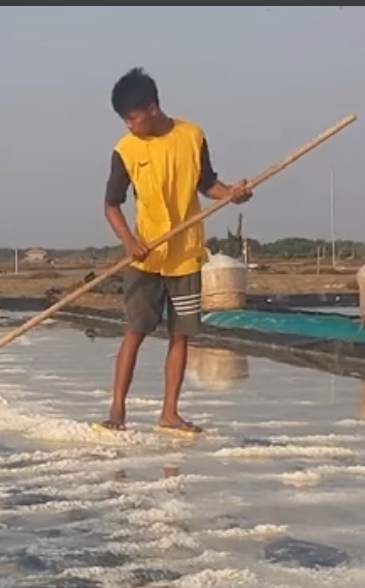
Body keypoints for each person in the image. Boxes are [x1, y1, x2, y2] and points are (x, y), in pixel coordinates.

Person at [99, 67, 253, 435]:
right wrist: (130, 243)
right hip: (146, 257)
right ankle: (117, 409)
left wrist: (231, 194)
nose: (129, 126)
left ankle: (169, 413)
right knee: (135, 331)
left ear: (152, 108)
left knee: (180, 335)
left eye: (132, 118)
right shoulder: (126, 151)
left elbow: (208, 184)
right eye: (125, 120)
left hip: (185, 257)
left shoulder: (192, 136)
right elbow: (111, 205)